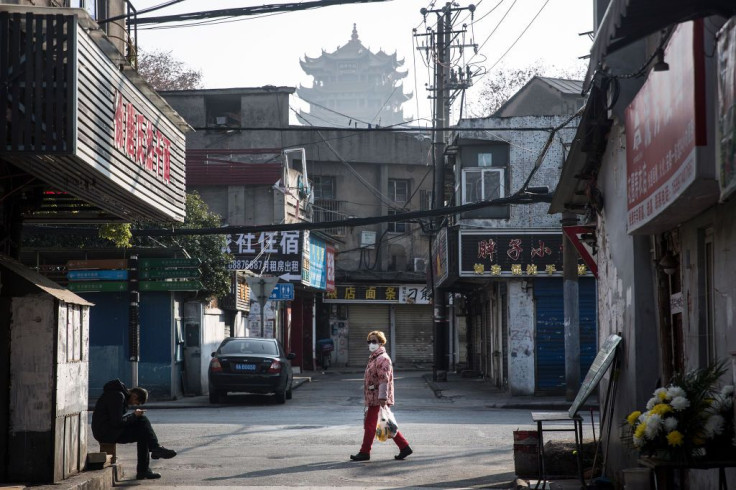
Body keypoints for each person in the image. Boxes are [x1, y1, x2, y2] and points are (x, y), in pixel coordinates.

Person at [91, 379, 177, 480]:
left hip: (108, 430)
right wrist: (134, 415)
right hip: (105, 432)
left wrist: (134, 416)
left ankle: (144, 469)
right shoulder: (118, 396)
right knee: (142, 420)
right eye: (137, 402)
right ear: (135, 395)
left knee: (143, 432)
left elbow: (116, 421)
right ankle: (154, 451)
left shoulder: (118, 395)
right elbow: (117, 422)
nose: (134, 404)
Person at [350, 330, 413, 461]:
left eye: (374, 341)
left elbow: (384, 379)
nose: (371, 344)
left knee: (370, 425)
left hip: (378, 398)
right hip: (373, 397)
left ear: (381, 342)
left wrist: (382, 398)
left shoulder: (382, 358)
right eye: (369, 341)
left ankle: (365, 452)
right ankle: (404, 447)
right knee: (384, 423)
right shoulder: (374, 357)